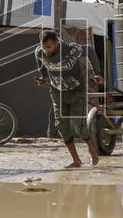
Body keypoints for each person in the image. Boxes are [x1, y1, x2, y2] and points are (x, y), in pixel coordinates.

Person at [34, 29, 103, 169]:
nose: (46, 50)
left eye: (49, 47)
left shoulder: (70, 49)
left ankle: (91, 148)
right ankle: (76, 160)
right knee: (61, 126)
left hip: (76, 91)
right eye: (44, 46)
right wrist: (43, 78)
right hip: (57, 92)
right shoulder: (39, 53)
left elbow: (89, 50)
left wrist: (97, 73)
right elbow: (41, 66)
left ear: (57, 43)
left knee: (79, 125)